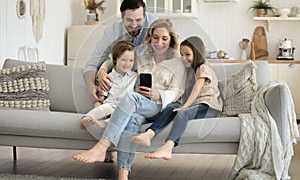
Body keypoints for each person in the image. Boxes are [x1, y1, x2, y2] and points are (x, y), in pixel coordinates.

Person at [73, 19, 187, 180]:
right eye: (155, 37)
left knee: (130, 97)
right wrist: (103, 71)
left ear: (171, 40)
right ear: (150, 37)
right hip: (139, 105)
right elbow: (119, 60)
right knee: (131, 122)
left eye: (164, 38)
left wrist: (159, 94)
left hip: (159, 106)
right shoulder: (143, 55)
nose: (159, 42)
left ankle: (102, 146)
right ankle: (123, 175)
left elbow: (178, 90)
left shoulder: (177, 61)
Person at [133, 36, 223, 160]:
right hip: (196, 105)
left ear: (197, 53)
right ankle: (149, 134)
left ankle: (168, 147)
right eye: (181, 54)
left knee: (182, 113)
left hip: (209, 106)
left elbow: (197, 89)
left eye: (187, 54)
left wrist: (184, 107)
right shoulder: (189, 69)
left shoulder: (203, 67)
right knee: (172, 107)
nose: (184, 58)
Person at [84, 0, 157, 105]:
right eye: (129, 20)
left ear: (144, 16)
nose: (134, 25)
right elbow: (92, 64)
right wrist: (90, 86)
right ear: (122, 18)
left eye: (138, 20)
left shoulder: (155, 25)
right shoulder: (112, 33)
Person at [80, 41, 137, 129]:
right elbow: (102, 96)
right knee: (103, 109)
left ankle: (105, 123)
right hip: (111, 104)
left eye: (131, 60)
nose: (127, 64)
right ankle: (88, 118)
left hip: (125, 106)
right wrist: (98, 104)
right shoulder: (108, 77)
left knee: (124, 114)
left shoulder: (135, 76)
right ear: (115, 59)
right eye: (123, 60)